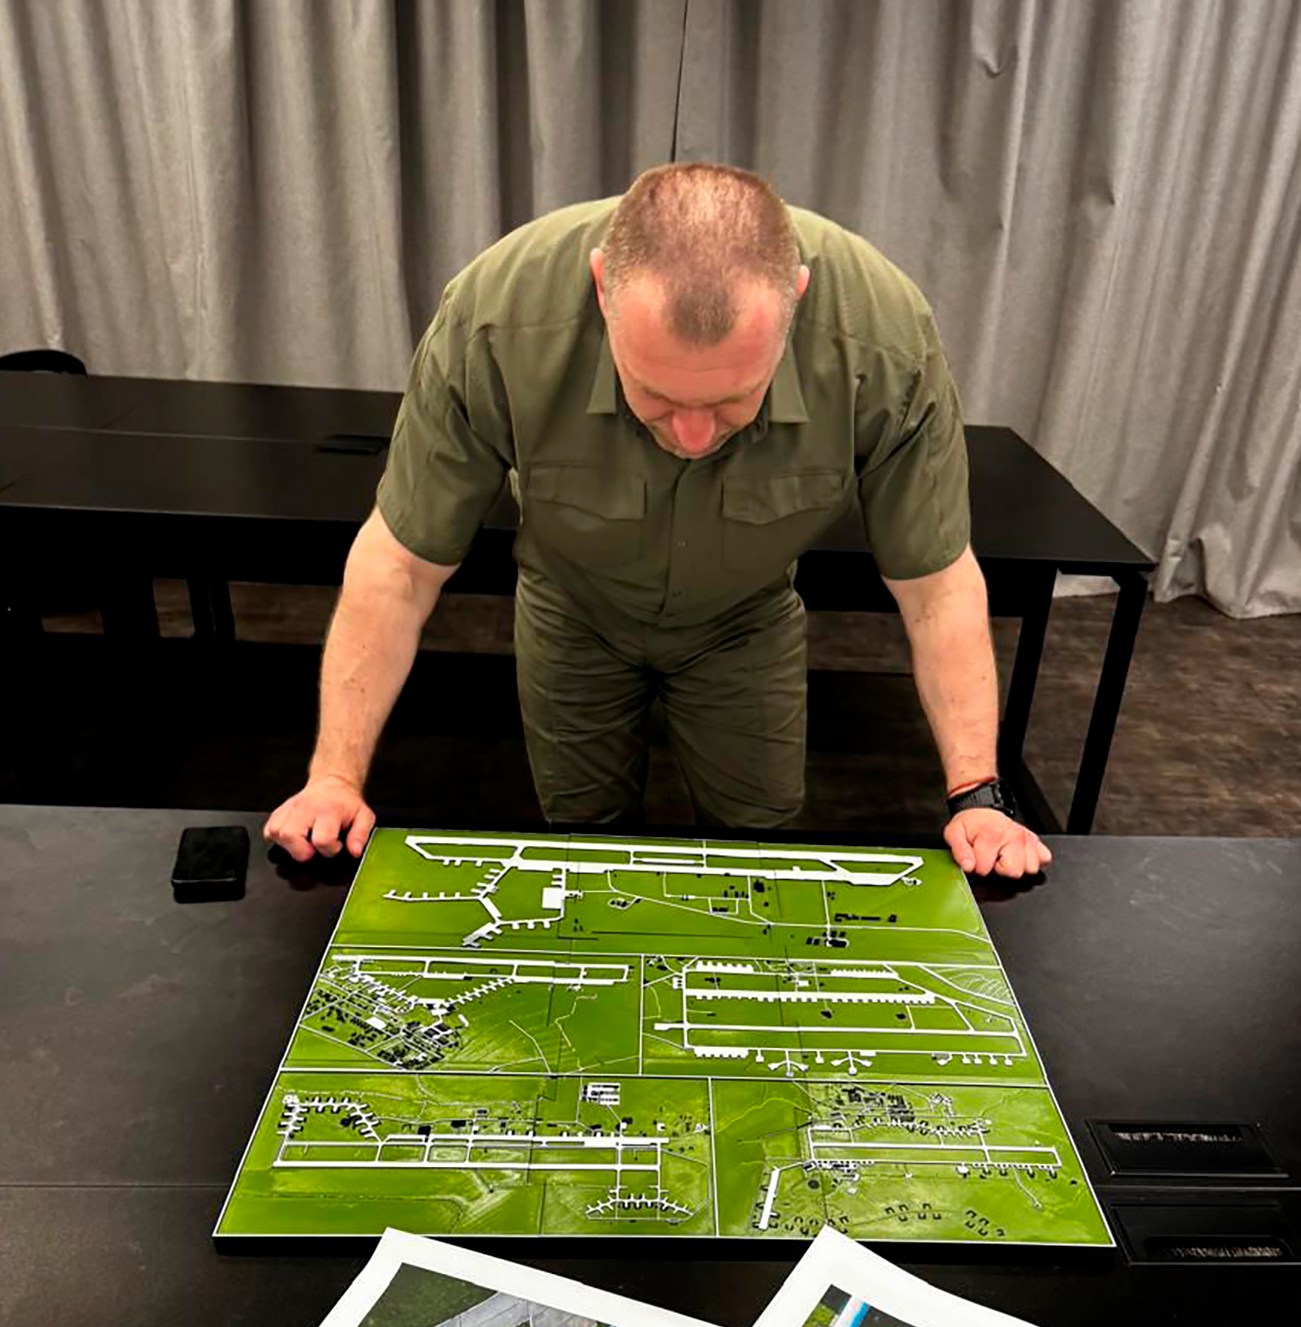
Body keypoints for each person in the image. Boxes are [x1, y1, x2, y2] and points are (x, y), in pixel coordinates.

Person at [265, 163, 1051, 881]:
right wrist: (333, 777)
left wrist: (978, 793)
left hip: (744, 619)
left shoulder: (883, 343)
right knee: (579, 849)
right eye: (658, 396)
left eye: (731, 399)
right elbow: (400, 564)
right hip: (573, 609)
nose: (695, 438)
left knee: (760, 854)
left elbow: (938, 585)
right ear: (603, 286)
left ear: (797, 300)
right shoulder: (496, 320)